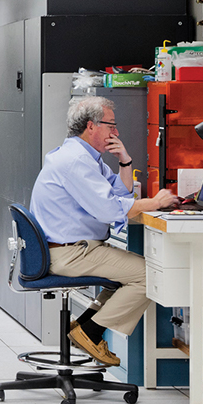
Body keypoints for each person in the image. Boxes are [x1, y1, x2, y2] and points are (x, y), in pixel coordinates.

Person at [29, 96, 179, 365]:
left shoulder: (85, 157)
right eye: (111, 125)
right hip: (70, 253)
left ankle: (85, 327)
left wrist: (124, 160)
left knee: (128, 275)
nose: (116, 132)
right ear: (91, 126)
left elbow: (119, 191)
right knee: (150, 276)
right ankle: (91, 332)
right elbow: (110, 209)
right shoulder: (76, 161)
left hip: (73, 248)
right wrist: (155, 203)